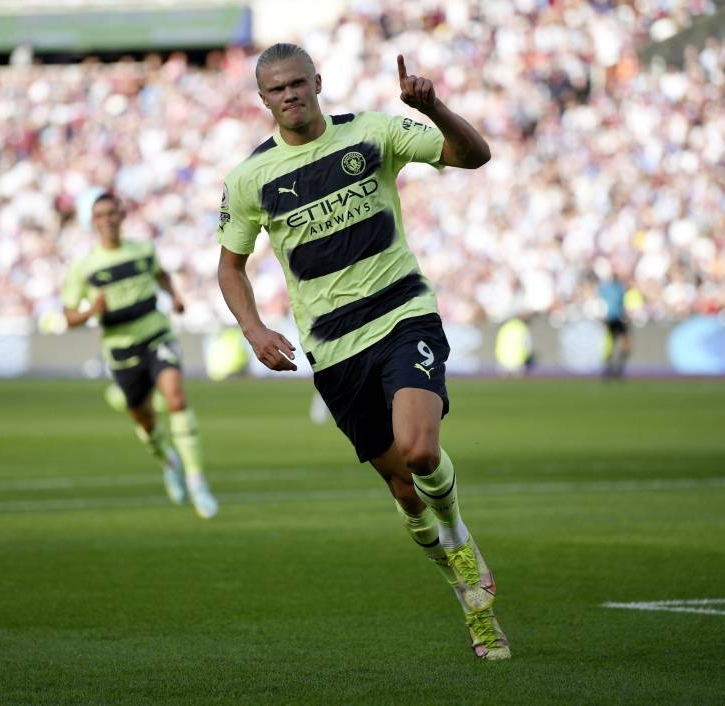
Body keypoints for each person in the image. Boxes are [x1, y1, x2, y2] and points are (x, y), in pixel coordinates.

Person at [216, 43, 510, 660]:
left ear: (318, 82)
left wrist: (434, 109)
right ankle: (466, 598)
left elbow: (475, 156)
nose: (290, 95)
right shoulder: (250, 179)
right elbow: (230, 268)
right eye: (277, 89)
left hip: (403, 315)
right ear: (262, 99)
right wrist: (255, 330)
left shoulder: (375, 132)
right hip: (333, 349)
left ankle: (459, 539)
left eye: (299, 82)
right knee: (405, 492)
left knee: (420, 448)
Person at [62, 191, 218, 519]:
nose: (106, 220)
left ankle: (197, 480)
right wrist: (92, 309)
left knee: (175, 399)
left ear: (121, 216)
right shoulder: (84, 267)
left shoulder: (143, 250)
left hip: (156, 335)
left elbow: (160, 275)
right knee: (144, 419)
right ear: (93, 222)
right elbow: (69, 317)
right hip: (120, 350)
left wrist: (174, 296)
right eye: (100, 215)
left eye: (111, 213)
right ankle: (168, 460)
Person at [597, 270, 632, 379]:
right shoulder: (612, 289)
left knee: (621, 345)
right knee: (614, 345)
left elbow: (621, 304)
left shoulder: (614, 288)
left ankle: (614, 369)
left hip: (616, 319)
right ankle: (611, 369)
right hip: (612, 319)